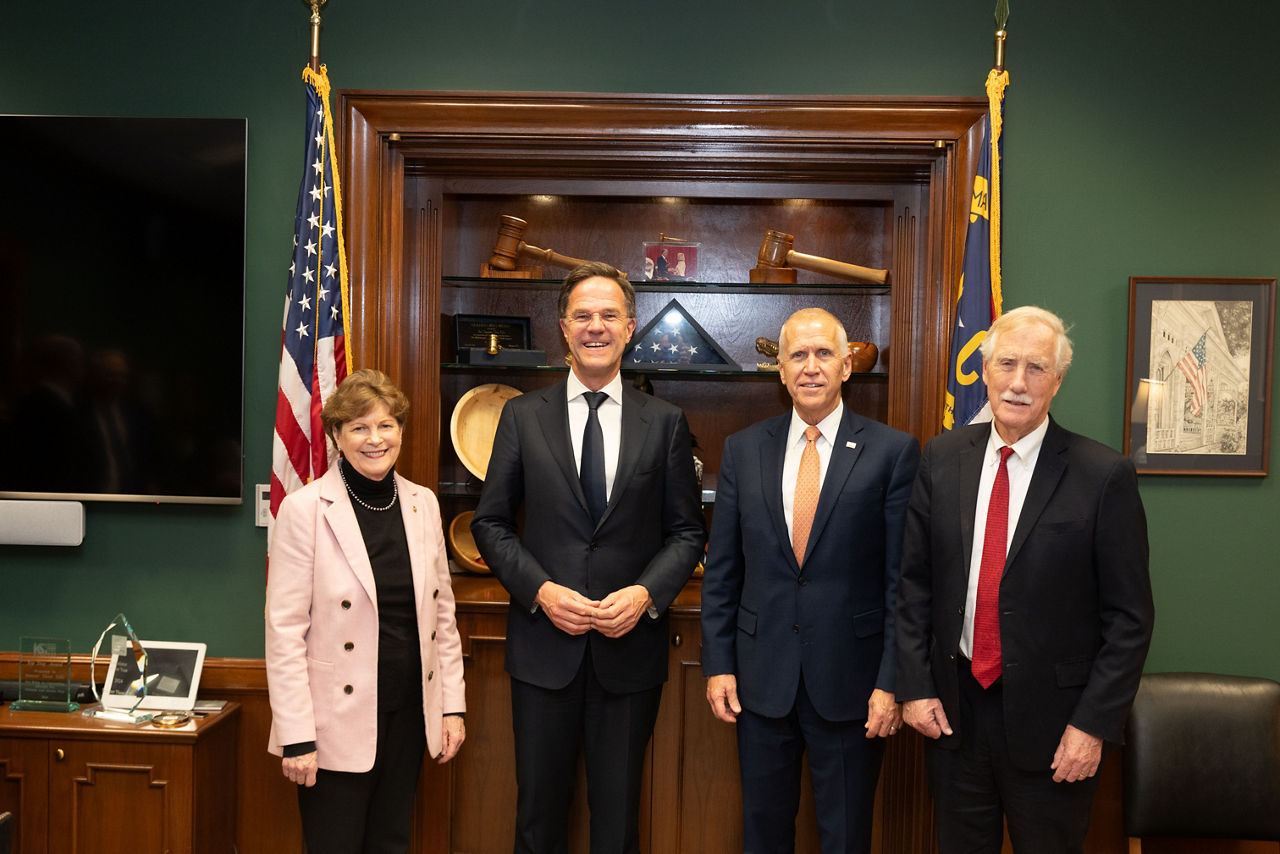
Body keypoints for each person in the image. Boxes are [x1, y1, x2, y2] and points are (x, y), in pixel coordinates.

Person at [895, 306, 1155, 853]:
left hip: (1058, 731)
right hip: (954, 718)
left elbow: (1129, 620)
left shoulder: (1103, 475)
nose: (1018, 382)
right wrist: (916, 689)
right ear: (984, 371)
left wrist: (1092, 727)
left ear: (1057, 381)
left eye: (1036, 368)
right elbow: (914, 586)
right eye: (1006, 364)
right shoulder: (941, 458)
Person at [471, 261, 706, 854]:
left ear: (630, 328)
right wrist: (542, 592)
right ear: (563, 328)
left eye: (608, 316)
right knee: (537, 818)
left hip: (629, 655)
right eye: (582, 316)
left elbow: (686, 533)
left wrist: (647, 594)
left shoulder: (667, 424)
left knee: (618, 821)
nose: (595, 326)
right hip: (543, 650)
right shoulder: (522, 417)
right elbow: (491, 524)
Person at [701, 308, 920, 853]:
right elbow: (723, 570)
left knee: (846, 837)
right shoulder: (743, 449)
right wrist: (719, 665)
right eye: (797, 355)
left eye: (824, 354)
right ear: (780, 370)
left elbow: (902, 581)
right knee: (763, 832)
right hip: (759, 680)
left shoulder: (892, 452)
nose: (811, 366)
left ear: (848, 365)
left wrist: (890, 682)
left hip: (852, 682)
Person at [266, 369, 466, 854]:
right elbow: (284, 632)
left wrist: (452, 707)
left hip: (409, 714)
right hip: (332, 725)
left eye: (386, 426)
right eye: (359, 427)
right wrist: (296, 736)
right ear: (337, 436)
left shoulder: (423, 504)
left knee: (391, 842)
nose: (375, 439)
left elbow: (443, 618)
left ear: (400, 430)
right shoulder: (305, 509)